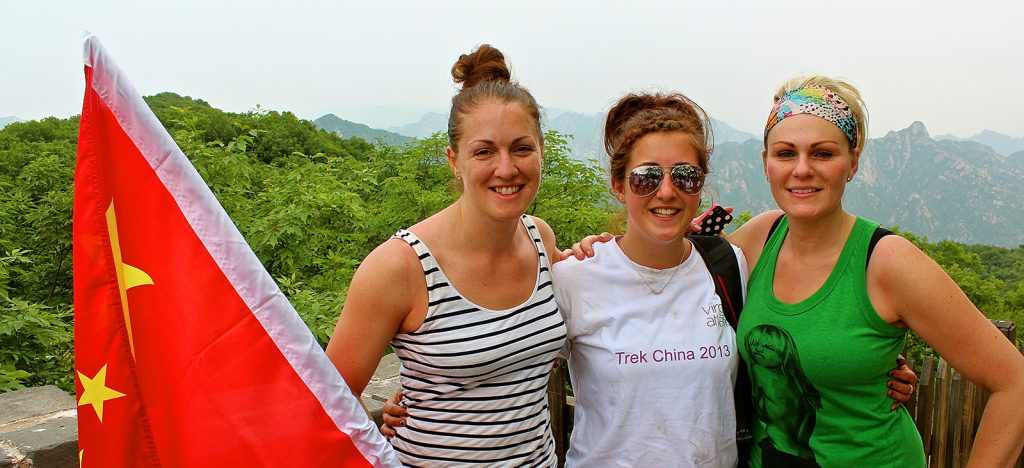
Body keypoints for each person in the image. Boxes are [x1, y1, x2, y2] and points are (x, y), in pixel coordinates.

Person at [724, 76, 1024, 466]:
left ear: (853, 163)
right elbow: (675, 274)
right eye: (785, 153)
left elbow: (1014, 382)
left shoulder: (887, 263)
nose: (801, 169)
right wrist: (617, 250)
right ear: (765, 164)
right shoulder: (758, 239)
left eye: (822, 153)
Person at [324, 44, 566, 467]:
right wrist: (377, 440)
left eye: (522, 148)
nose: (506, 168)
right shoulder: (400, 267)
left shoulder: (540, 239)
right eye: (484, 151)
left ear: (541, 151)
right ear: (454, 161)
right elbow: (325, 399)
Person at [552, 92, 747, 466]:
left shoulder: (729, 267)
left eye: (686, 176)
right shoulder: (575, 278)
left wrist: (885, 374)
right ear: (618, 185)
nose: (668, 191)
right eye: (646, 177)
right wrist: (413, 397)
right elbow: (512, 366)